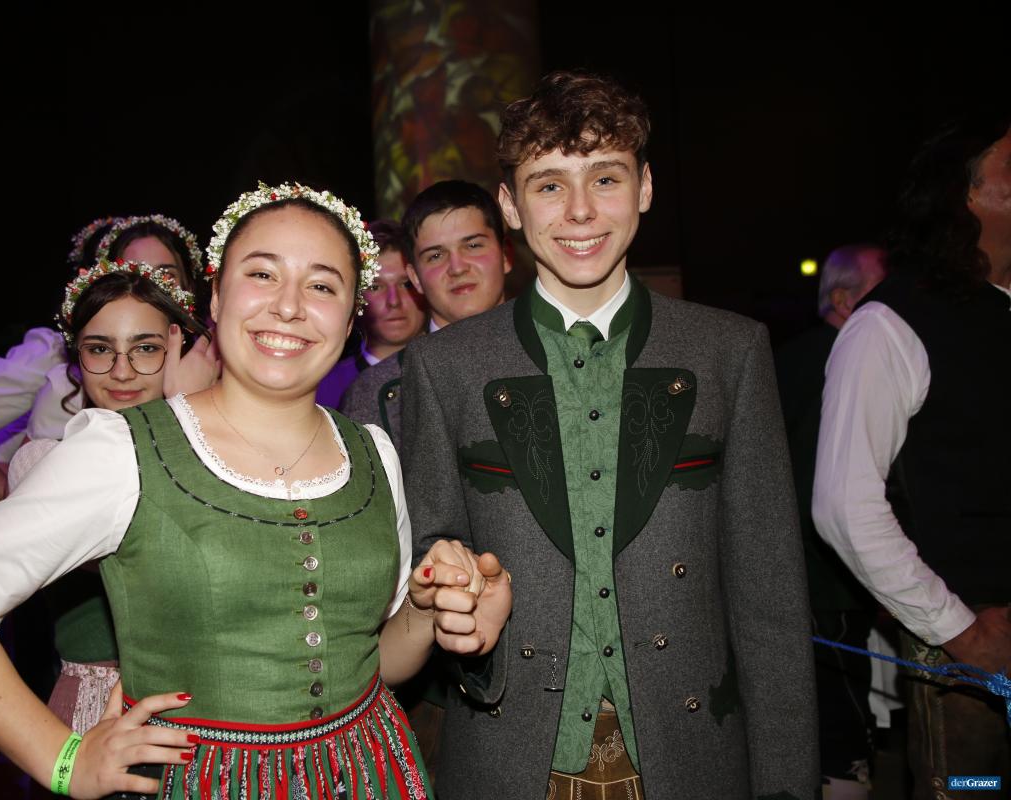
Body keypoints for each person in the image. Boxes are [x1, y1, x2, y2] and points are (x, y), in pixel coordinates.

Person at [0, 182, 511, 799]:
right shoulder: (121, 450)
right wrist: (65, 761)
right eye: (262, 274)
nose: (289, 307)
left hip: (369, 775)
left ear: (352, 317)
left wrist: (427, 610)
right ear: (215, 297)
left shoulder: (374, 453)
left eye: (322, 286)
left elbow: (378, 662)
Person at [401, 71, 817, 800]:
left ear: (645, 187)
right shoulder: (445, 367)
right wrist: (453, 597)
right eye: (549, 185)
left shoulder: (728, 352)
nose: (581, 210)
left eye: (605, 178)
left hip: (692, 756)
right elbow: (431, 557)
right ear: (510, 205)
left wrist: (785, 785)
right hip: (510, 756)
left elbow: (770, 597)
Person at [813, 118, 1011, 798]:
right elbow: (844, 505)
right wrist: (960, 631)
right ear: (965, 194)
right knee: (974, 790)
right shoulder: (891, 324)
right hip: (971, 653)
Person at [5, 260, 210, 736]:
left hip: (222, 707)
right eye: (100, 349)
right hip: (102, 713)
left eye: (146, 349)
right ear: (76, 358)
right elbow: (148, 558)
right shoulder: (42, 462)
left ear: (178, 351)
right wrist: (181, 416)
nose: (122, 371)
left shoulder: (228, 455)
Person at [0, 214, 215, 503]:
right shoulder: (67, 385)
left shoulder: (217, 368)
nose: (148, 286)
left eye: (165, 275)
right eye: (132, 271)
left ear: (190, 287)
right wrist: (23, 502)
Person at [775, 244, 886, 799]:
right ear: (843, 300)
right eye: (880, 293)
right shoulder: (839, 362)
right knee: (840, 711)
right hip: (830, 571)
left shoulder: (789, 358)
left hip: (805, 568)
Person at [341, 181, 511, 449]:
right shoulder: (374, 392)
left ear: (505, 255)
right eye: (435, 255)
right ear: (416, 278)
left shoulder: (558, 355)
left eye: (473, 245)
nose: (457, 267)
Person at [315, 220, 425, 409]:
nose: (393, 300)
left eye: (405, 284)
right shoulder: (323, 389)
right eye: (375, 287)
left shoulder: (452, 366)